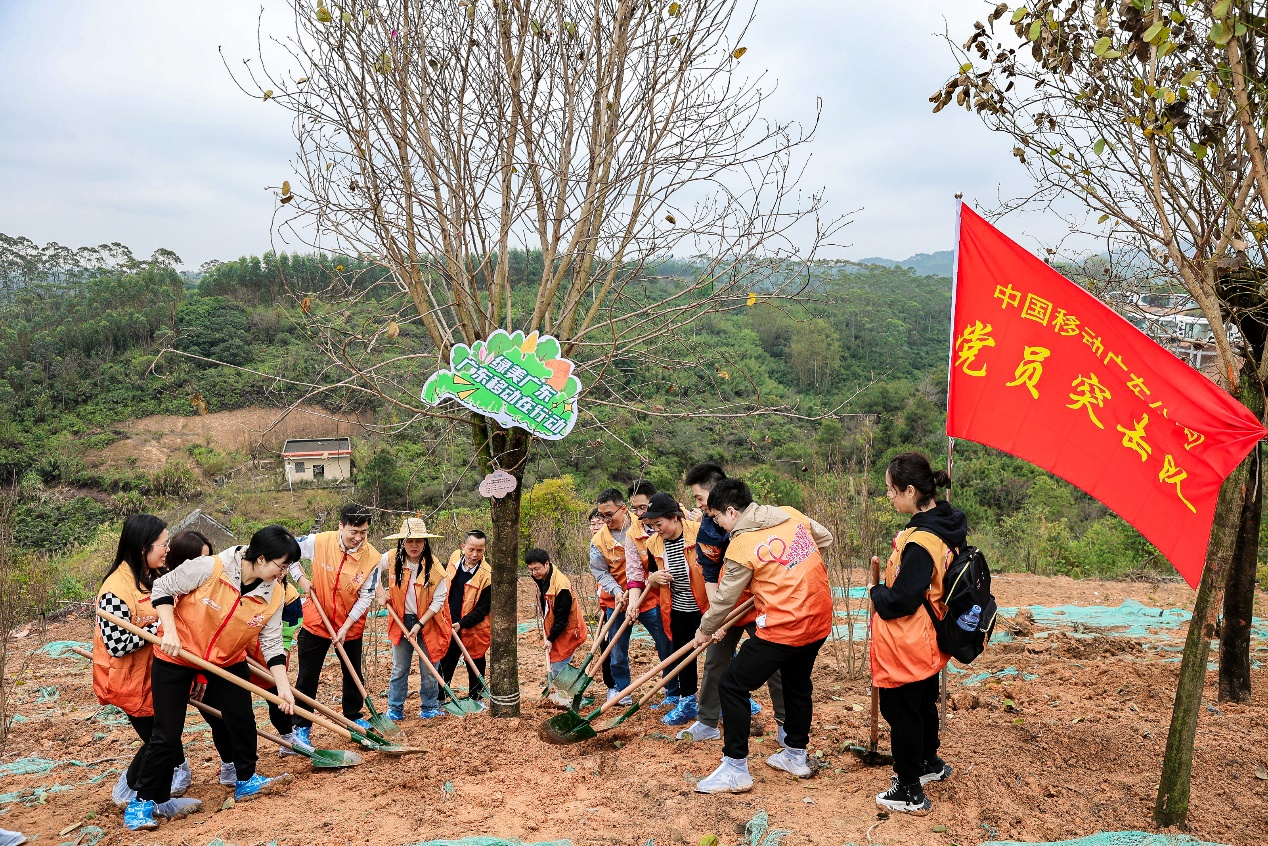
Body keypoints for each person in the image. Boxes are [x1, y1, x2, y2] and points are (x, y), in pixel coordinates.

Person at [122, 526, 300, 830]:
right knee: (166, 733)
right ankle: (141, 802)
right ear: (260, 558)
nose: (283, 573)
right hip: (177, 655)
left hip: (226, 660)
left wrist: (284, 688)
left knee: (242, 720)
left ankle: (245, 779)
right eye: (280, 566)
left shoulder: (275, 592)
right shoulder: (209, 567)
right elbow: (163, 588)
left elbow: (271, 644)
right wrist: (172, 631)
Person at [692, 479, 834, 794]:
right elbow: (825, 538)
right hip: (820, 618)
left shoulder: (742, 544)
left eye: (718, 517)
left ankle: (735, 768)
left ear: (731, 511)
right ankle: (795, 755)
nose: (718, 524)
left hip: (784, 626)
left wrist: (704, 631)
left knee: (732, 684)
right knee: (797, 682)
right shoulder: (789, 514)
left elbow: (725, 598)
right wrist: (790, 568)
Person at [870, 452, 963, 814]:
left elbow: (903, 599)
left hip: (909, 639)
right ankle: (928, 762)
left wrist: (878, 593)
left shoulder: (922, 540)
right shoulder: (948, 522)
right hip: (930, 635)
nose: (890, 498)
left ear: (910, 491)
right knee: (923, 701)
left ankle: (908, 787)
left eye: (892, 491)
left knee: (901, 710)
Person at [93, 515, 195, 817]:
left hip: (154, 675)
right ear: (142, 548)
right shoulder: (115, 589)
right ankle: (131, 788)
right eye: (162, 544)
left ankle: (159, 797)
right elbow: (117, 643)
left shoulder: (154, 574)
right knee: (159, 738)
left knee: (166, 735)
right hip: (127, 680)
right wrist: (160, 630)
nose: (166, 550)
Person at [676, 462, 785, 743]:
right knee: (715, 661)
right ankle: (707, 722)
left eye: (700, 498)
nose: (699, 505)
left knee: (774, 665)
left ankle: (786, 724)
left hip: (759, 604)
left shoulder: (758, 521)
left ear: (718, 493)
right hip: (725, 605)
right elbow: (710, 574)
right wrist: (718, 618)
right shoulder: (708, 530)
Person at [288, 504, 382, 750]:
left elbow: (366, 596)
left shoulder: (372, 558)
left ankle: (353, 717)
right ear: (341, 526)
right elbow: (287, 552)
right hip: (316, 620)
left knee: (353, 675)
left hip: (350, 625)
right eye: (353, 531)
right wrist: (300, 578)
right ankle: (302, 726)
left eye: (363, 532)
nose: (358, 538)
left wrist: (346, 626)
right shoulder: (319, 542)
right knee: (308, 676)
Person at [589, 487, 674, 705]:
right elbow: (600, 572)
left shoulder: (645, 527)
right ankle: (621, 689)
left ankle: (672, 688)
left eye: (610, 514)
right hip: (616, 601)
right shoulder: (599, 540)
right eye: (602, 516)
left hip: (649, 597)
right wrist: (617, 592)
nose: (606, 520)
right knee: (616, 649)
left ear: (623, 509)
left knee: (665, 642)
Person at [635, 493, 710, 727]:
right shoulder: (652, 543)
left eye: (660, 524)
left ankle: (740, 698)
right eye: (652, 525)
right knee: (683, 657)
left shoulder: (700, 533)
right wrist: (654, 578)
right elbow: (650, 574)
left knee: (721, 654)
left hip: (706, 606)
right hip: (677, 609)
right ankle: (687, 702)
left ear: (675, 518)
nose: (657, 529)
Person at [378, 518, 451, 719]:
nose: (414, 545)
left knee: (429, 668)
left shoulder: (434, 567)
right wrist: (379, 593)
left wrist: (420, 624)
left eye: (419, 540)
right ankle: (395, 708)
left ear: (425, 542)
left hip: (427, 623)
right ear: (402, 541)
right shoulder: (393, 557)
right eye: (409, 541)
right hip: (400, 621)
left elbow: (438, 601)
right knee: (400, 668)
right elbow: (372, 569)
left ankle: (429, 707)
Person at [439, 530, 491, 703]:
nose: (474, 554)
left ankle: (476, 699)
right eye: (471, 549)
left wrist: (461, 624)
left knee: (475, 663)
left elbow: (483, 609)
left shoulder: (488, 575)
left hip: (473, 627)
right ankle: (439, 699)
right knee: (445, 662)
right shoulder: (454, 558)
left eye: (480, 550)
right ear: (463, 547)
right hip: (449, 624)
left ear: (485, 550)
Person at [526, 547, 586, 677]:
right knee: (556, 663)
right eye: (531, 570)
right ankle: (560, 688)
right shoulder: (544, 578)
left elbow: (561, 618)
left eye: (536, 569)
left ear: (546, 563)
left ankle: (566, 694)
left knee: (559, 665)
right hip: (556, 629)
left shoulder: (561, 586)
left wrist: (550, 638)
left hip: (568, 631)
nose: (534, 573)